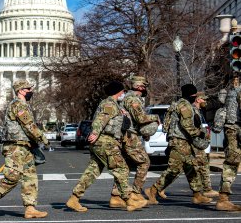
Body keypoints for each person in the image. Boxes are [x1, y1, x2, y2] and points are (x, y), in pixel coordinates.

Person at [65, 81, 147, 212]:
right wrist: (95, 133)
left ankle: (74, 199)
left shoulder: (112, 104)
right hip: (106, 141)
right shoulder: (109, 104)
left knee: (93, 171)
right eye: (122, 91)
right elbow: (100, 120)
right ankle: (129, 200)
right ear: (118, 92)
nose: (124, 94)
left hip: (103, 142)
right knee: (122, 169)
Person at [0, 79, 50, 219]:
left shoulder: (23, 105)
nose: (31, 92)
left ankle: (30, 208)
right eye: (28, 89)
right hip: (15, 147)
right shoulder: (18, 105)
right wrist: (43, 139)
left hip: (25, 147)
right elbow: (29, 126)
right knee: (13, 177)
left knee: (30, 178)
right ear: (21, 90)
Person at [144, 84, 212, 205]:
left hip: (184, 141)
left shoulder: (182, 104)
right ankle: (153, 190)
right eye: (194, 95)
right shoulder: (184, 105)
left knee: (191, 168)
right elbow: (187, 125)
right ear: (190, 95)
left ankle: (197, 195)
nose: (195, 97)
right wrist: (200, 133)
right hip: (179, 142)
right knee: (174, 170)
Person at [109, 76, 159, 206]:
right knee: (144, 162)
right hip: (130, 136)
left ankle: (116, 196)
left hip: (125, 135)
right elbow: (141, 118)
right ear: (139, 87)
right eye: (144, 86)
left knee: (124, 165)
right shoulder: (132, 99)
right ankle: (136, 193)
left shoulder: (127, 98)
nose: (145, 89)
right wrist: (155, 117)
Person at [213, 78, 241, 211]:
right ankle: (223, 199)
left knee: (232, 162)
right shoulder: (236, 91)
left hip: (231, 128)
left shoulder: (231, 91)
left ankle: (223, 198)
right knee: (232, 162)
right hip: (236, 128)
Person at [192, 92, 218, 198]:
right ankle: (157, 188)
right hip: (194, 142)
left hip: (200, 142)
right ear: (198, 100)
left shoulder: (200, 111)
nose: (205, 102)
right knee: (178, 168)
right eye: (203, 100)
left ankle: (206, 189)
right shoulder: (193, 110)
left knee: (202, 164)